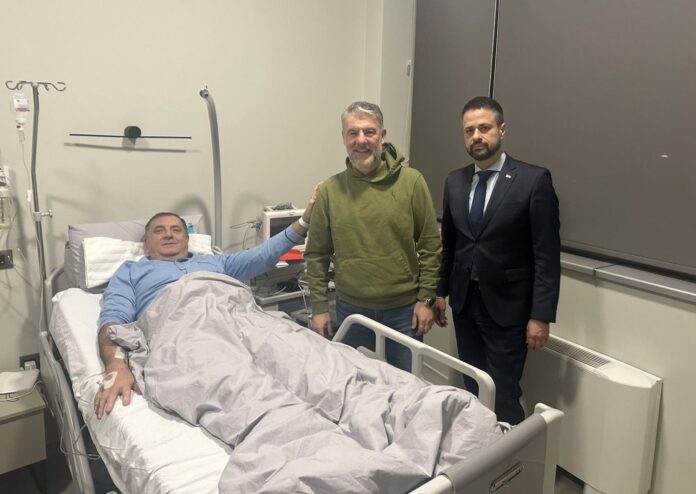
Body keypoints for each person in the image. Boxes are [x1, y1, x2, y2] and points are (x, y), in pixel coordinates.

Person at [95, 195, 315, 419]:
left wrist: (304, 222)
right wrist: (116, 365)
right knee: (245, 393)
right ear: (146, 242)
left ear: (187, 239)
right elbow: (113, 321)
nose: (169, 234)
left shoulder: (215, 262)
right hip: (187, 333)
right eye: (159, 231)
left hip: (244, 320)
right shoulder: (131, 271)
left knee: (310, 363)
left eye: (176, 230)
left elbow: (261, 255)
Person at [434, 96, 561, 425]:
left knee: (503, 392)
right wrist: (440, 292)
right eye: (469, 130)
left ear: (502, 130)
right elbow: (450, 245)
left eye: (484, 128)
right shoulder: (454, 181)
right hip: (465, 305)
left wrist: (541, 315)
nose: (476, 136)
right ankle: (476, 446)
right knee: (471, 383)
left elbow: (546, 255)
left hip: (509, 310)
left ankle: (509, 452)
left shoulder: (533, 180)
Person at [305, 101, 441, 372]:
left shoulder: (411, 182)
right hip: (351, 311)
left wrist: (426, 299)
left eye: (369, 132)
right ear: (344, 138)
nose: (361, 140)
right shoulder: (330, 191)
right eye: (353, 133)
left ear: (382, 135)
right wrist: (319, 307)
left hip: (404, 312)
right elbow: (316, 253)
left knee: (408, 388)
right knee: (353, 385)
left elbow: (430, 246)